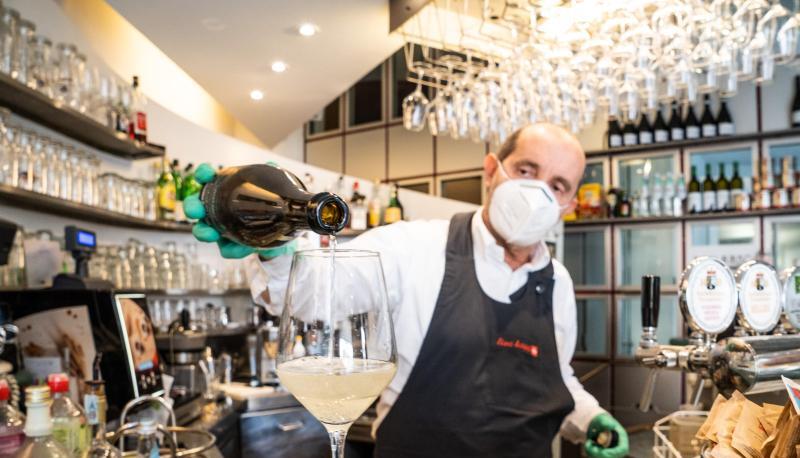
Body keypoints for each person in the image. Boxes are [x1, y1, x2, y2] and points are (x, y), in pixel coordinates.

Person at [184, 123, 629, 458]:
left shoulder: (559, 282)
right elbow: (316, 297)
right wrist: (275, 247)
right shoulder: (410, 246)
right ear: (492, 170)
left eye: (556, 185)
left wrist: (588, 417)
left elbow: (555, 377)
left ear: (568, 205)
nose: (537, 192)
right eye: (526, 170)